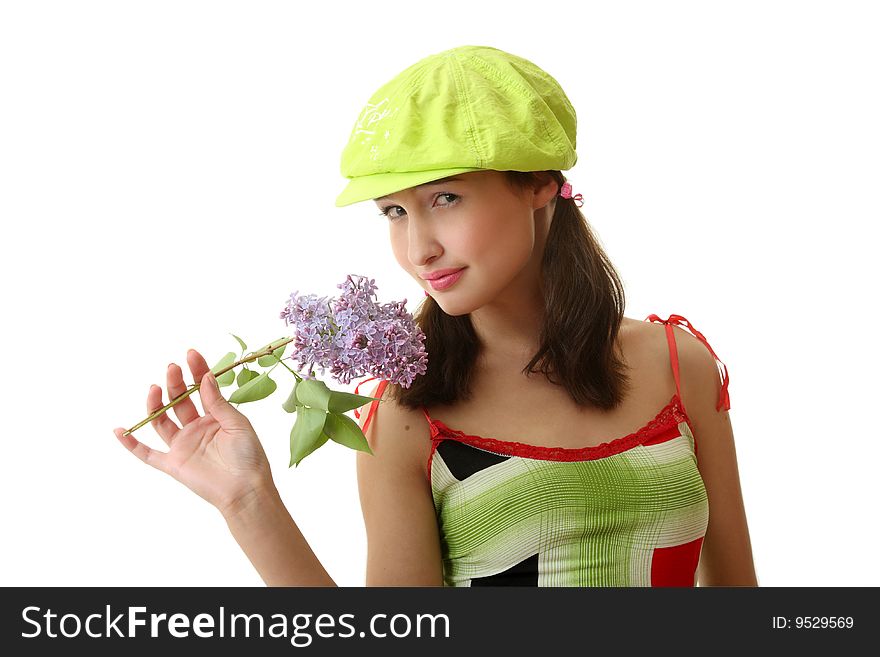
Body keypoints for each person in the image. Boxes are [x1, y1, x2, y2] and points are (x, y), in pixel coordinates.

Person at [113, 45, 757, 587]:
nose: (418, 248)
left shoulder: (680, 364)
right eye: (394, 212)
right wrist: (246, 500)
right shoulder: (406, 415)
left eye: (445, 198)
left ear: (538, 183)